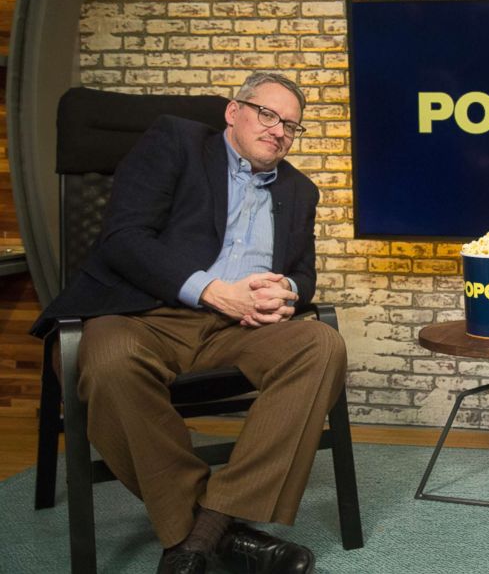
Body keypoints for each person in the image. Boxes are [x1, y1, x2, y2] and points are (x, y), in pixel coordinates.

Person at [32, 73, 345, 574]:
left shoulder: (300, 190)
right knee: (108, 362)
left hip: (243, 330)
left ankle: (204, 532)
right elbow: (123, 238)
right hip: (144, 313)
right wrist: (210, 290)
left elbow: (303, 271)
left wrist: (289, 291)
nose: (278, 131)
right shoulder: (175, 141)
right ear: (233, 111)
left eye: (290, 125)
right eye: (267, 114)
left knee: (321, 345)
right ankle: (215, 532)